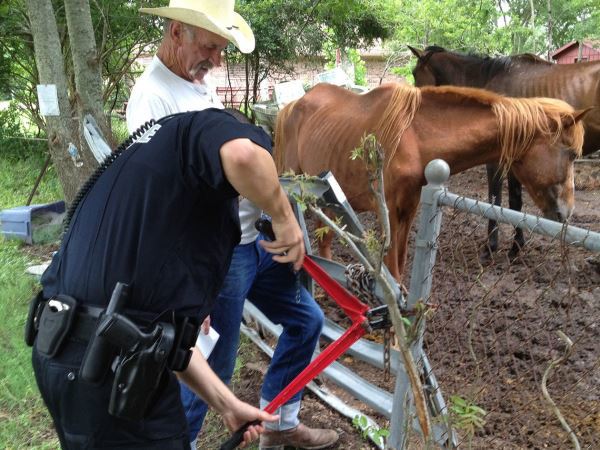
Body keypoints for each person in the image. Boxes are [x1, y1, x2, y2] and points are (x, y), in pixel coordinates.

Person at [127, 2, 339, 449]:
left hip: (249, 244)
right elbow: (165, 204)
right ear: (176, 32)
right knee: (211, 372)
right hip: (216, 260)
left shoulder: (195, 83)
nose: (217, 60)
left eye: (221, 49)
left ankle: (280, 423)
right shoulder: (153, 98)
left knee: (307, 321)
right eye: (210, 47)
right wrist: (191, 286)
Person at [30, 108, 303, 449]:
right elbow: (243, 154)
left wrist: (226, 404)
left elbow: (151, 333)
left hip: (63, 355)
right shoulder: (205, 128)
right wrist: (283, 215)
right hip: (108, 371)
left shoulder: (149, 184)